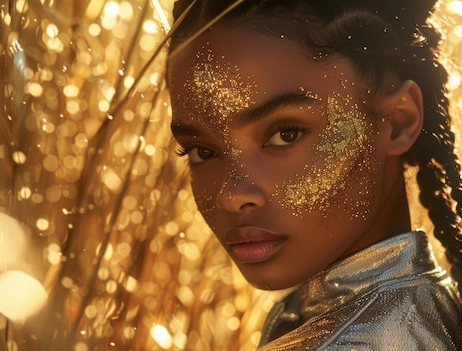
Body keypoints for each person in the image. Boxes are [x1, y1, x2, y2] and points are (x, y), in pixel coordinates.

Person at [166, 0, 462, 349]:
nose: (231, 195)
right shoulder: (429, 304)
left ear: (397, 122)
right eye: (204, 151)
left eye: (285, 134)